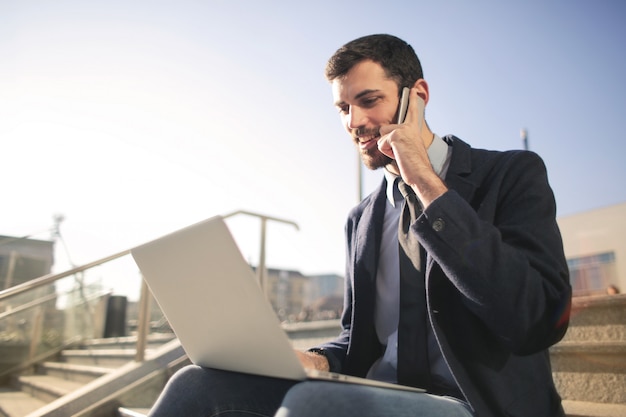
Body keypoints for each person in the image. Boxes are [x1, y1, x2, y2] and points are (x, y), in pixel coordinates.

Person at [147, 34, 571, 417]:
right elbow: (357, 339)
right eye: (343, 108)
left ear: (417, 96)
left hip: (474, 404)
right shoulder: (362, 218)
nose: (353, 122)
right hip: (374, 395)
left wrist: (424, 180)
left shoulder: (510, 174)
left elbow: (536, 319)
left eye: (369, 101)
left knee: (314, 404)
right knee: (195, 384)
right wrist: (318, 359)